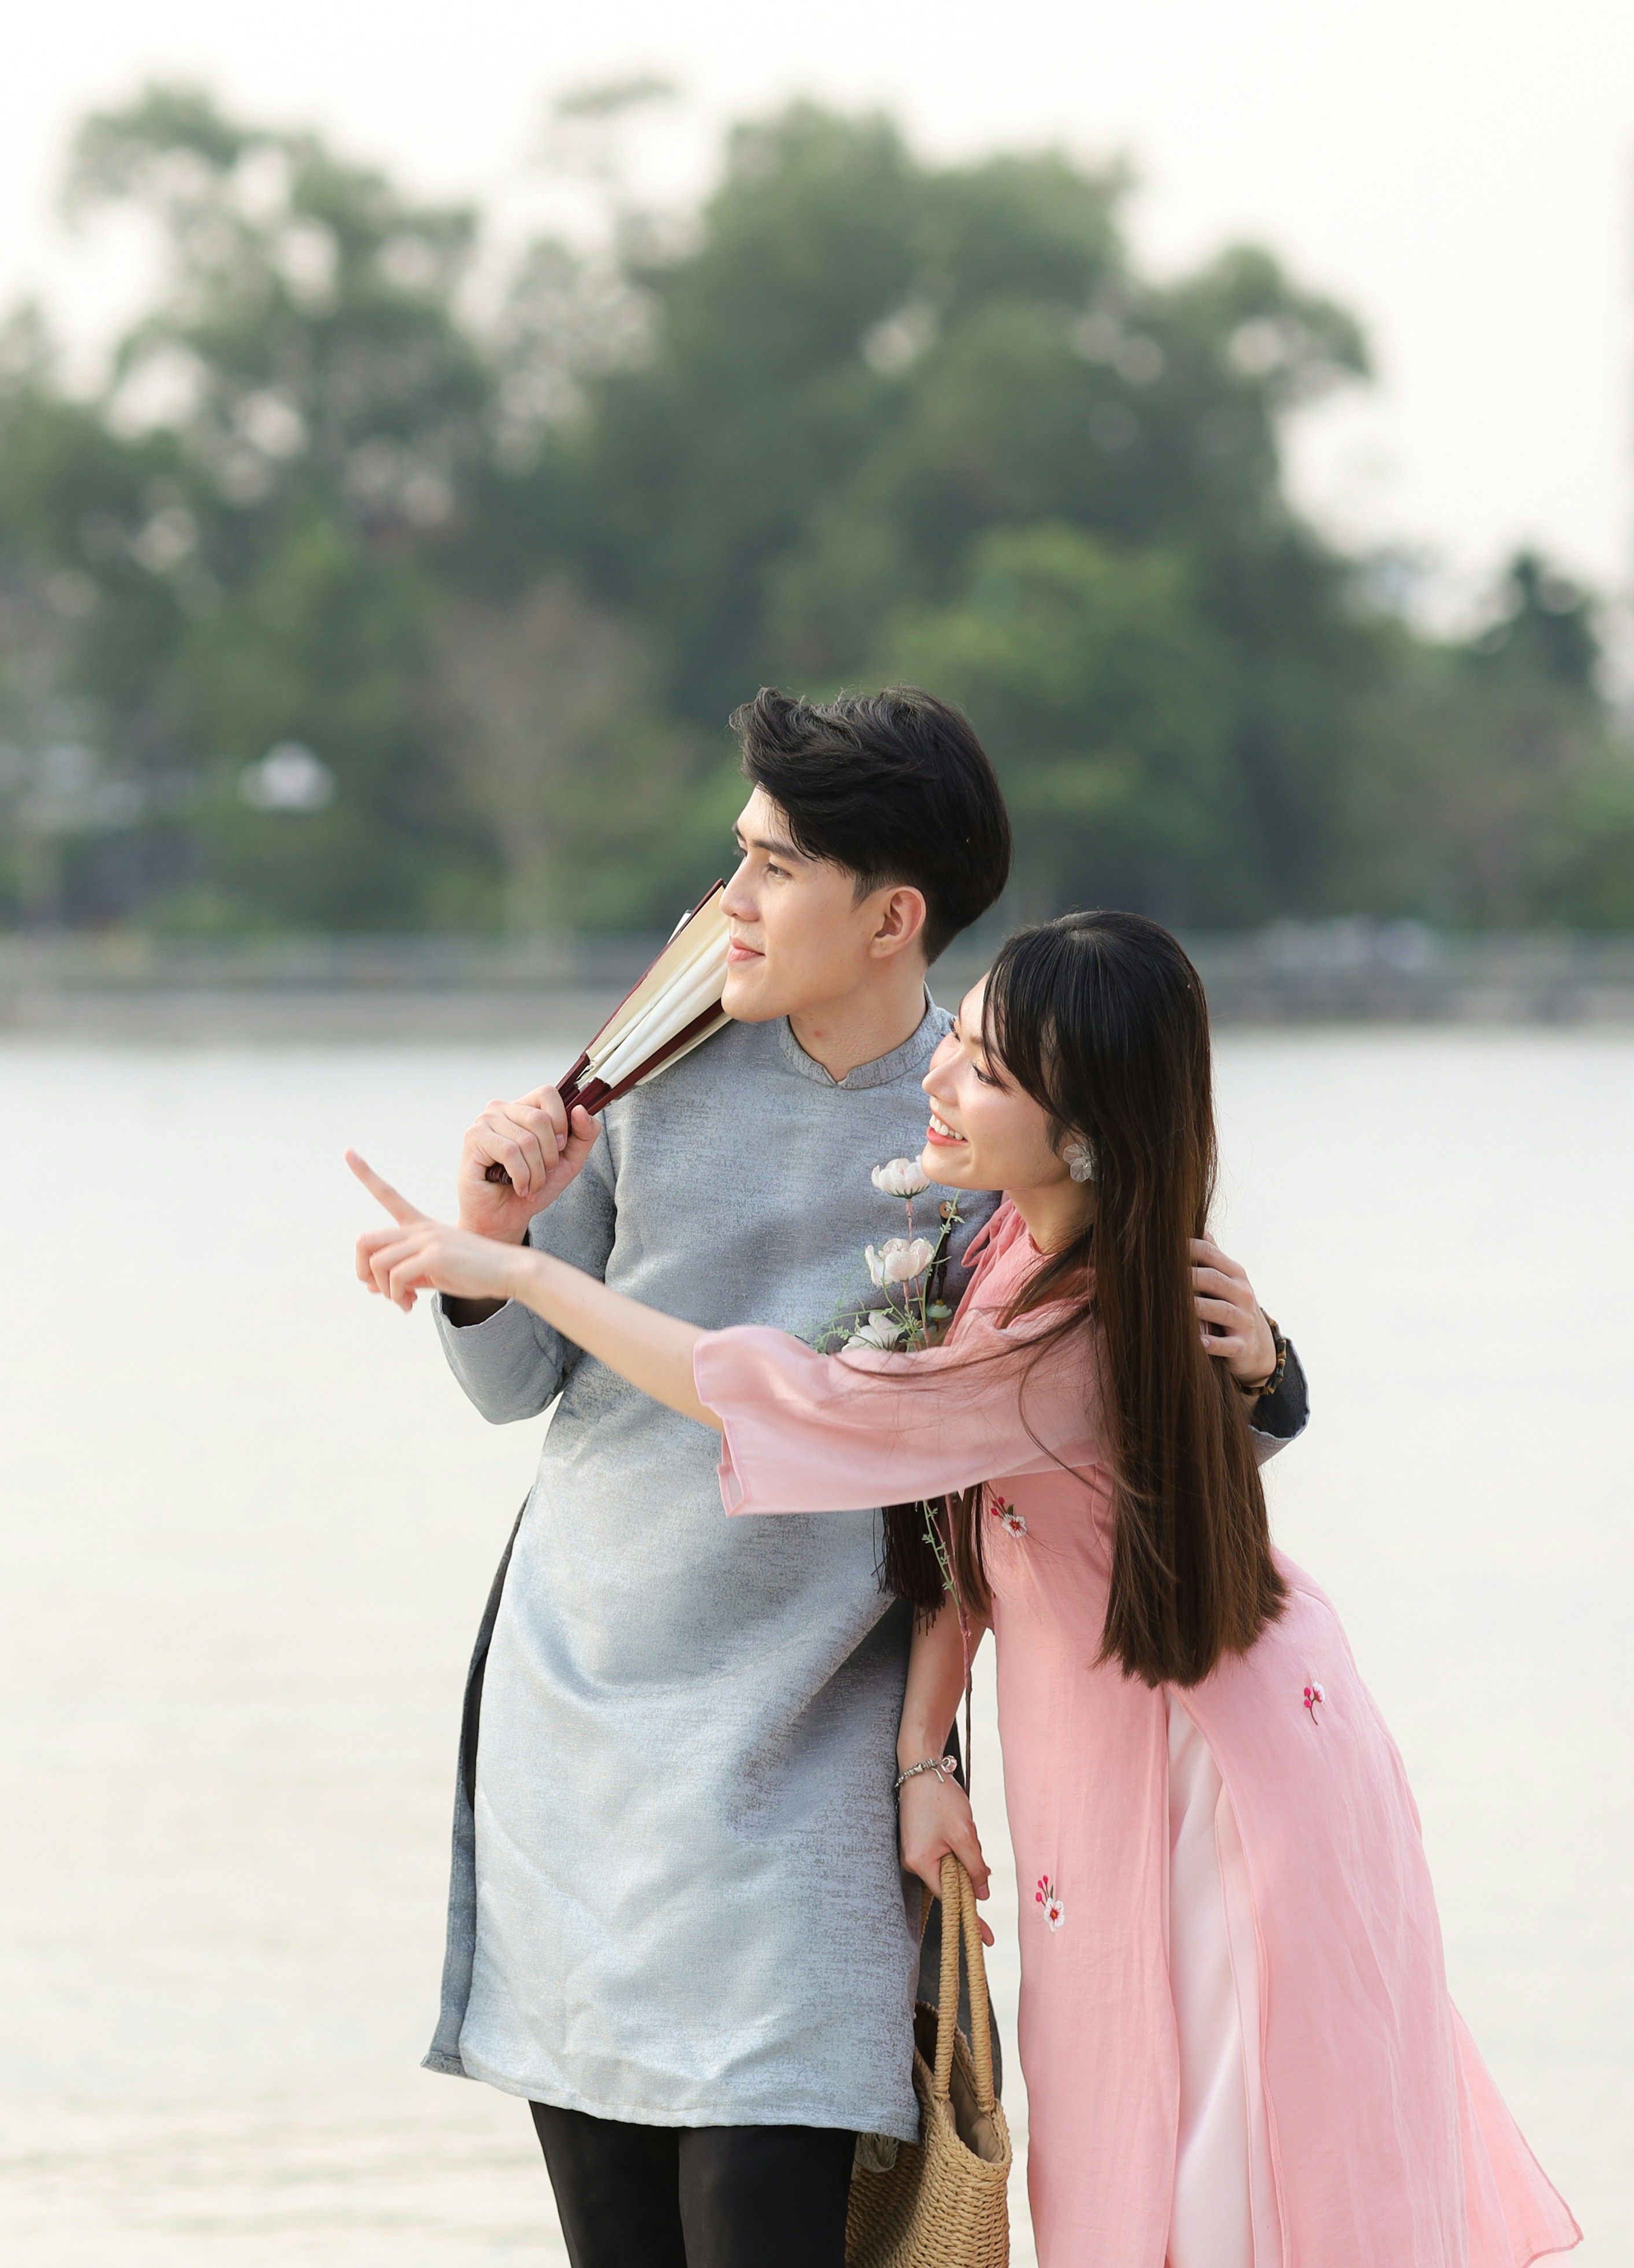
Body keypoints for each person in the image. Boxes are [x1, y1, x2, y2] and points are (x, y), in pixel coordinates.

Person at [352, 911, 1579, 2268]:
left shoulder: (1075, 1320)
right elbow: (960, 1530)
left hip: (1211, 1770)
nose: (939, 1073)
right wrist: (921, 1748)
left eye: (984, 1070)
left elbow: (813, 1407)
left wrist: (516, 1267)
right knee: (1122, 2127)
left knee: (1223, 2172)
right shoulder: (1004, 1249)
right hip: (1123, 1732)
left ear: (1082, 1137)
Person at [412, 690, 1303, 2268]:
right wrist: (488, 1246)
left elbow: (1121, 1376)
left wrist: (1261, 1367)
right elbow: (509, 1390)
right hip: (588, 1717)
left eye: (771, 869)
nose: (726, 903)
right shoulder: (642, 1072)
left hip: (820, 1742)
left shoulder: (989, 1102)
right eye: (734, 858)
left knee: (766, 2215)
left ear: (891, 917)